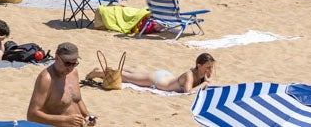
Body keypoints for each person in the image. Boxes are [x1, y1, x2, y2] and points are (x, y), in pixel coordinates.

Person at [29, 42, 93, 127]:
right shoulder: (46, 79)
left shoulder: (74, 73)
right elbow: (32, 115)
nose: (70, 68)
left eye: (74, 64)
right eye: (67, 63)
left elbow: (77, 100)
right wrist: (65, 120)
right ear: (56, 58)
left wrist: (87, 117)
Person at [85, 53, 215, 94]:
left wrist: (205, 81)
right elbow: (188, 92)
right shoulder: (190, 75)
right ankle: (98, 73)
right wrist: (205, 84)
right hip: (157, 80)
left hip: (166, 77)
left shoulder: (201, 75)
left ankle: (112, 69)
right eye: (207, 67)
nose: (209, 70)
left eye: (211, 67)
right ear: (199, 65)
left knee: (135, 73)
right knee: (126, 78)